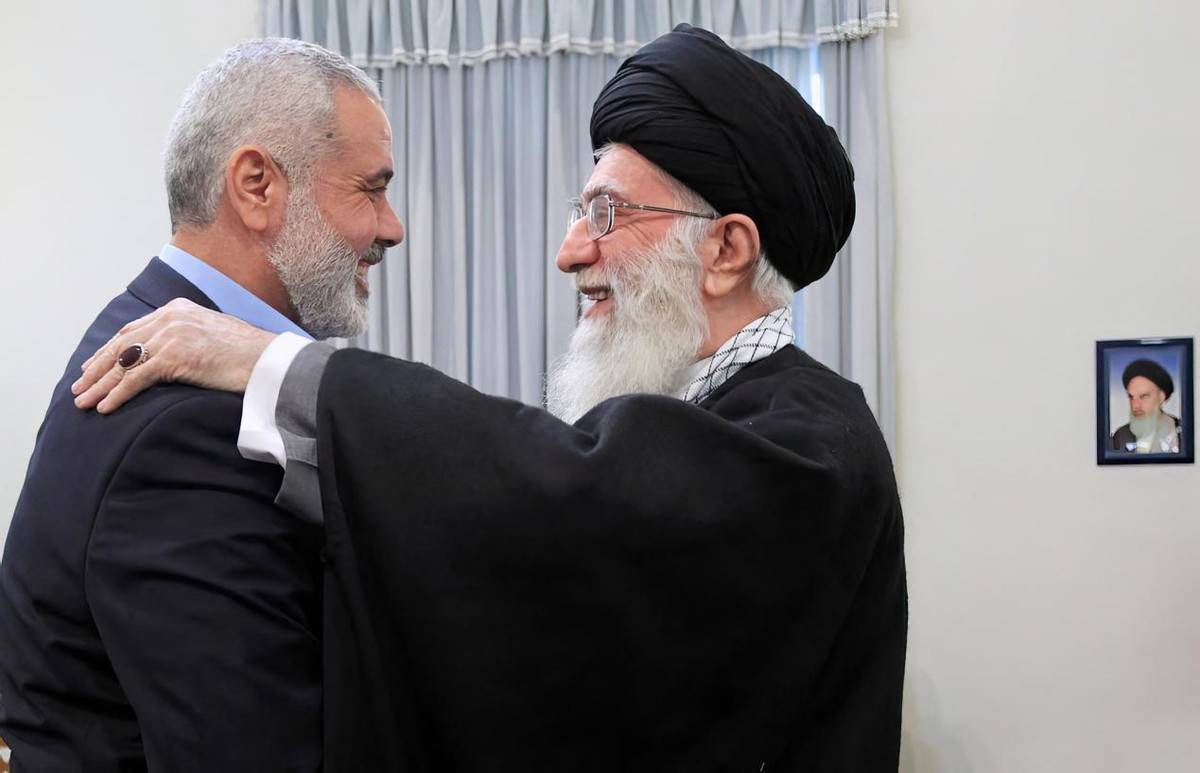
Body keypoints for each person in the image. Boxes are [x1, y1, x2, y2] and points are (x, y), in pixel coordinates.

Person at [75, 25, 907, 772]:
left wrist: (279, 367)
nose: (569, 251)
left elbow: (574, 499)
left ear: (726, 249)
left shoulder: (813, 445)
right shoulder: (709, 416)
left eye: (606, 213)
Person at [0, 39, 403, 770]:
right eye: (369, 190)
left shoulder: (145, 332)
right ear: (256, 185)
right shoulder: (190, 423)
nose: (391, 226)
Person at [1111, 358, 1182, 453]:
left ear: (1161, 397)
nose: (1135, 406)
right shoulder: (1122, 436)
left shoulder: (1184, 433)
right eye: (1131, 397)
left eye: (1143, 396)